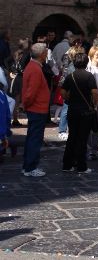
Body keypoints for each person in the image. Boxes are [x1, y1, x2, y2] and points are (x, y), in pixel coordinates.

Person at [61, 53, 98, 173]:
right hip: (85, 111)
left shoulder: (70, 76)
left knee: (72, 137)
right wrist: (94, 104)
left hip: (72, 110)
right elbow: (94, 93)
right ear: (86, 62)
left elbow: (63, 92)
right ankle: (81, 166)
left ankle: (67, 164)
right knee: (82, 138)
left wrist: (68, 99)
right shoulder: (89, 76)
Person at [21, 43, 50, 177]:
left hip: (36, 108)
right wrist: (27, 105)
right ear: (42, 55)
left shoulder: (33, 67)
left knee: (32, 138)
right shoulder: (35, 69)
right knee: (35, 139)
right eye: (45, 52)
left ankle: (28, 165)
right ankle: (30, 167)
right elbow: (30, 93)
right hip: (37, 109)